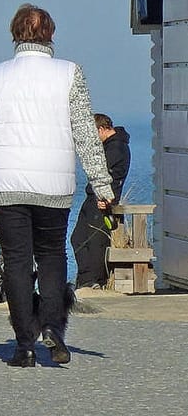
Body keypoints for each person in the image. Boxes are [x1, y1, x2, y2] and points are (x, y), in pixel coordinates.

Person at [0, 4, 114, 367]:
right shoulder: (69, 73)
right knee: (51, 255)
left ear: (14, 34)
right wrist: (101, 184)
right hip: (52, 181)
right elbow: (85, 134)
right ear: (50, 35)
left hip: (4, 181)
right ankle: (54, 330)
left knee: (15, 259)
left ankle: (23, 342)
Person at [70, 113, 131, 289]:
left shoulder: (116, 148)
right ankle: (86, 279)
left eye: (94, 133)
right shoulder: (112, 146)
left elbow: (108, 177)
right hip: (94, 198)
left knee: (96, 242)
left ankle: (94, 280)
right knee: (78, 238)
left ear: (102, 129)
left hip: (102, 201)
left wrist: (107, 199)